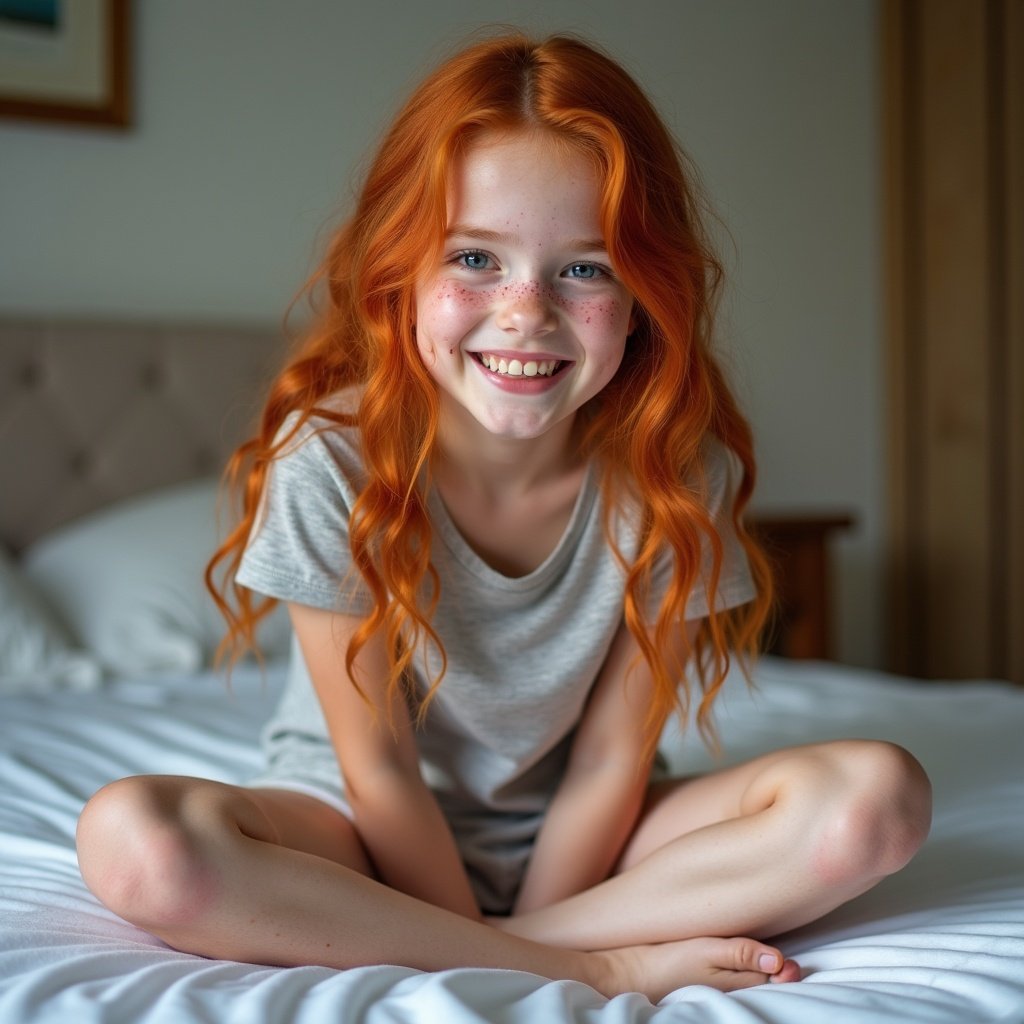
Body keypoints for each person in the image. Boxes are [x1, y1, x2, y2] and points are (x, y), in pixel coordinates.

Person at [75, 33, 932, 1003]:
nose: (525, 311)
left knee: (877, 801)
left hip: (597, 839)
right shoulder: (332, 459)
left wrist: (505, 932)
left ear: (646, 291)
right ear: (398, 267)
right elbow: (383, 768)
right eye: (476, 257)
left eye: (584, 269)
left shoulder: (675, 471)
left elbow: (611, 758)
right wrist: (580, 971)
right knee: (136, 842)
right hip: (355, 834)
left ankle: (525, 939)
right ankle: (579, 955)